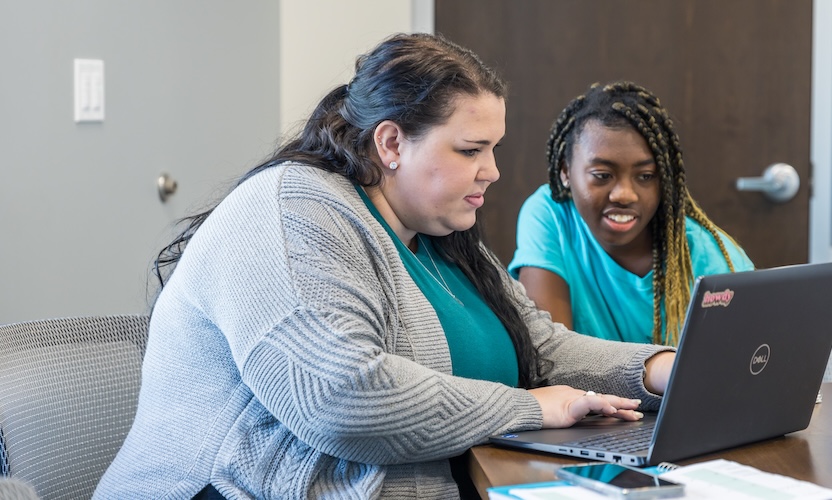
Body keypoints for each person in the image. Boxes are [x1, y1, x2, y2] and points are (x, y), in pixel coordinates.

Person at [95, 34, 676, 499]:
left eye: (492, 149)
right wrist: (527, 408)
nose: (492, 171)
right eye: (471, 150)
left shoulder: (441, 231)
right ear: (392, 143)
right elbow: (342, 398)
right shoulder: (291, 209)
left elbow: (542, 345)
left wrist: (660, 369)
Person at [508, 82, 754, 347]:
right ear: (565, 171)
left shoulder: (708, 257)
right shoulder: (550, 214)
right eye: (602, 175)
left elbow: (737, 367)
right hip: (576, 389)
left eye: (646, 176)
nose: (624, 194)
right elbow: (549, 353)